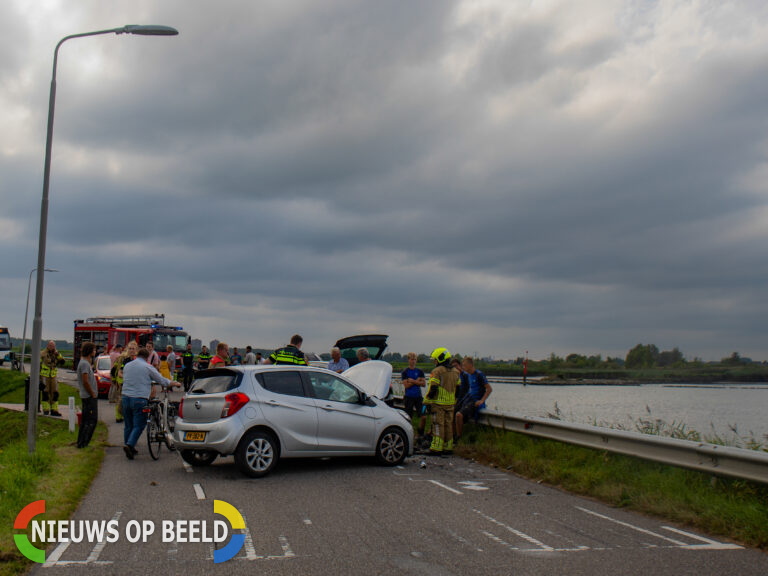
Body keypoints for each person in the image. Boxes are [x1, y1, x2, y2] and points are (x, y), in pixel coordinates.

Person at [121, 347, 180, 459]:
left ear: (138, 355)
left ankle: (129, 445)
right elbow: (161, 380)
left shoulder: (128, 365)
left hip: (125, 397)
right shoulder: (148, 367)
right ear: (147, 357)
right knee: (139, 424)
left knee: (128, 425)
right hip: (139, 398)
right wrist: (173, 383)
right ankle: (129, 445)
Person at [425, 347, 460, 455]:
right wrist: (453, 399)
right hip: (450, 404)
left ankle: (436, 447)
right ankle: (448, 447)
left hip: (438, 404)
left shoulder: (437, 371)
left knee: (437, 424)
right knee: (448, 425)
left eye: (435, 359)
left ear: (440, 359)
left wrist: (427, 400)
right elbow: (458, 389)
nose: (434, 362)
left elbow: (433, 388)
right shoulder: (456, 372)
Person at [455, 357, 492, 440]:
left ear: (470, 365)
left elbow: (489, 389)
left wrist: (482, 400)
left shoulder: (479, 374)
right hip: (468, 398)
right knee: (453, 411)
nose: (463, 367)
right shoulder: (468, 375)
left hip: (475, 401)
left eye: (464, 365)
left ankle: (459, 437)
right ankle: (452, 436)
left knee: (458, 415)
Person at [76, 341, 99, 448]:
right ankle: (84, 443)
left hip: (87, 395)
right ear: (89, 351)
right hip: (89, 396)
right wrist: (92, 393)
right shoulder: (85, 364)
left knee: (85, 420)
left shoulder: (84, 362)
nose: (95, 352)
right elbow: (85, 381)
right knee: (91, 420)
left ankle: (81, 442)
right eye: (94, 350)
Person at [112, 341, 139, 423]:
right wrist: (119, 377)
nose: (131, 350)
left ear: (136, 349)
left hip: (136, 385)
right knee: (121, 400)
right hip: (124, 383)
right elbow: (119, 371)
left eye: (133, 349)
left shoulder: (139, 359)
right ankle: (120, 416)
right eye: (130, 348)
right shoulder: (125, 360)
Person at [40, 340, 65, 416]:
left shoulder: (56, 354)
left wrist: (58, 355)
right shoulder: (43, 353)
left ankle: (54, 410)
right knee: (45, 393)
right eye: (50, 345)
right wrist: (39, 378)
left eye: (53, 346)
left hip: (53, 376)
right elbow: (37, 364)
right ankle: (46, 409)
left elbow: (63, 362)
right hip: (45, 376)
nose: (52, 347)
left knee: (55, 393)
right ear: (47, 346)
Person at [401, 352, 425, 422]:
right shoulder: (405, 371)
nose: (413, 361)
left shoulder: (420, 371)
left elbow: (423, 384)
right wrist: (417, 381)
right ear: (408, 360)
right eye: (412, 359)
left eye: (415, 359)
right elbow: (406, 385)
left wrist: (412, 381)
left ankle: (421, 431)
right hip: (409, 397)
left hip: (418, 396)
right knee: (408, 417)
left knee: (422, 416)